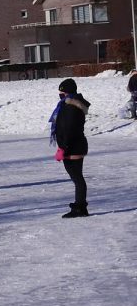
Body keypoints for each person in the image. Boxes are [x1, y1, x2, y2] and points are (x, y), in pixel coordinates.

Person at [50, 78, 91, 218]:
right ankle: (80, 207)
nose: (60, 94)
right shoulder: (68, 105)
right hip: (73, 145)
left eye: (62, 92)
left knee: (77, 177)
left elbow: (69, 129)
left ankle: (80, 208)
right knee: (76, 177)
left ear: (67, 92)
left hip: (73, 146)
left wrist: (63, 148)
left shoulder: (71, 107)